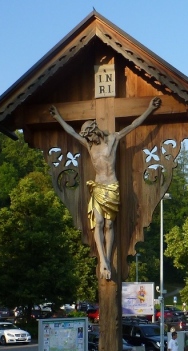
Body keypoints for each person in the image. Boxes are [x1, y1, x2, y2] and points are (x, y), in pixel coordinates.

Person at [50, 97, 161, 280]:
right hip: (98, 187)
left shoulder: (113, 140)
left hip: (112, 187)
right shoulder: (89, 146)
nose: (89, 139)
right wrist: (58, 118)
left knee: (109, 224)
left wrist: (149, 109)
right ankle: (103, 260)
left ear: (96, 131)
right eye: (87, 138)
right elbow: (71, 132)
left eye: (90, 136)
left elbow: (133, 125)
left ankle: (108, 257)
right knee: (98, 223)